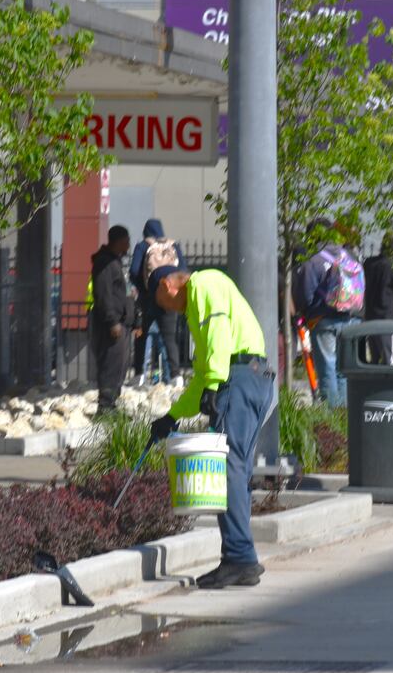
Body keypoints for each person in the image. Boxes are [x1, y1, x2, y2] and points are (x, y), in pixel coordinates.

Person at [148, 265, 276, 589]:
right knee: (237, 468)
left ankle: (240, 558)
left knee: (228, 467)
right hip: (248, 377)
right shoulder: (196, 306)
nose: (162, 307)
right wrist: (172, 416)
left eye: (159, 299)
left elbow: (219, 337)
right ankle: (240, 556)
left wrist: (215, 384)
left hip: (238, 377)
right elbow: (204, 375)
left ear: (168, 284)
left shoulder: (203, 284)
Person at [292, 222, 364, 406]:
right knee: (343, 369)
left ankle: (330, 418)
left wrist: (305, 313)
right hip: (352, 318)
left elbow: (305, 295)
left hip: (324, 320)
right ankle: (345, 414)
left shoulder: (314, 260)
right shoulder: (349, 255)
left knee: (327, 369)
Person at [128, 219, 184, 384]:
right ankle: (175, 375)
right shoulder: (173, 245)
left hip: (148, 298)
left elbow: (133, 271)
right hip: (169, 296)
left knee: (141, 335)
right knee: (169, 337)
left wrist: (143, 288)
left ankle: (139, 374)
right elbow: (183, 270)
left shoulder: (143, 246)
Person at [89, 225, 136, 412]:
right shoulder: (104, 263)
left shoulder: (115, 262)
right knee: (110, 364)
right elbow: (103, 295)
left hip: (122, 323)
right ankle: (105, 406)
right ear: (119, 241)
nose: (129, 245)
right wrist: (112, 321)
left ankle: (113, 403)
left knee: (120, 366)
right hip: (111, 325)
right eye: (127, 241)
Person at [362, 251, 393, 363]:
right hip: (386, 314)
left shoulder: (368, 263)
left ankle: (375, 378)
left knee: (375, 355)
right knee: (388, 356)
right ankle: (390, 379)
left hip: (370, 312)